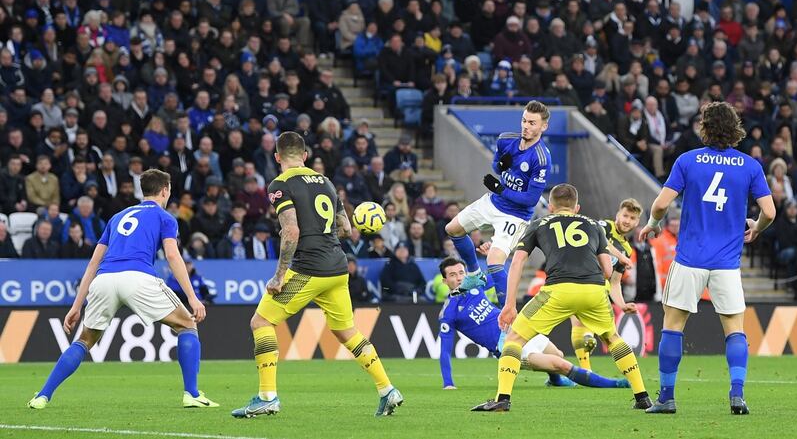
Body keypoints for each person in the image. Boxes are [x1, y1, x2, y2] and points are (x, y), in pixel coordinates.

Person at [232, 132, 402, 418]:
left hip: (308, 268)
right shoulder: (326, 182)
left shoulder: (279, 185)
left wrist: (278, 276)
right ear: (306, 156)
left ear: (277, 157)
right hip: (337, 267)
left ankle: (267, 396)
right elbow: (346, 230)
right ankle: (387, 390)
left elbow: (291, 231)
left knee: (261, 321)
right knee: (346, 331)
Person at [27, 170, 218, 410]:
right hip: (138, 277)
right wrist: (193, 298)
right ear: (164, 191)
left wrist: (76, 306)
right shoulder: (165, 217)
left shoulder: (117, 217)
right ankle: (191, 393)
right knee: (187, 325)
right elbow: (172, 255)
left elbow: (93, 264)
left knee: (84, 341)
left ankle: (43, 395)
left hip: (104, 279)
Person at [639, 101, 775, 415]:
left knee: (673, 327)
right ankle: (737, 396)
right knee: (735, 330)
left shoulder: (688, 161)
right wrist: (756, 228)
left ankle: (667, 398)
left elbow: (661, 205)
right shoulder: (749, 165)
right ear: (735, 128)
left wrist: (654, 223)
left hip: (689, 260)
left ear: (705, 127)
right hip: (726, 264)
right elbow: (769, 211)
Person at [471, 184, 652, 412]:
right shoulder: (594, 226)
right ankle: (642, 397)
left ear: (551, 207)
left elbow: (517, 262)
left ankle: (502, 399)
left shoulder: (539, 224)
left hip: (558, 290)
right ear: (577, 208)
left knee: (514, 339)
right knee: (612, 337)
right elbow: (607, 271)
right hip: (594, 290)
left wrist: (509, 305)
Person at [437, 257, 628, 390]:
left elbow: (500, 278)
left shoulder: (475, 285)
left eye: (461, 272)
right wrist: (448, 383)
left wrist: (492, 261)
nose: (459, 277)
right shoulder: (449, 313)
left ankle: (555, 382)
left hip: (519, 330)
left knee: (558, 354)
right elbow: (444, 350)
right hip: (506, 347)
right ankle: (613, 384)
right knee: (559, 364)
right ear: (445, 280)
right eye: (453, 275)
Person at [445, 101, 551, 305]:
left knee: (494, 262)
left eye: (532, 123)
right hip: (493, 202)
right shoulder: (506, 139)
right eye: (524, 121)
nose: (526, 126)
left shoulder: (541, 158)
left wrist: (501, 189)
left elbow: (530, 199)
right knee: (453, 229)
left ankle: (507, 321)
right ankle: (475, 274)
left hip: (515, 215)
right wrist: (501, 165)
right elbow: (496, 166)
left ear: (543, 127)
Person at [571, 198, 642, 371]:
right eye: (625, 215)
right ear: (618, 214)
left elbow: (615, 282)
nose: (627, 221)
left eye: (632, 218)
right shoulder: (604, 226)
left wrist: (622, 305)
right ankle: (586, 369)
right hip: (579, 277)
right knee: (579, 323)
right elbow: (602, 242)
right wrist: (622, 257)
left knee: (606, 334)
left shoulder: (627, 248)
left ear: (638, 222)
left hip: (600, 289)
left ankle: (589, 366)